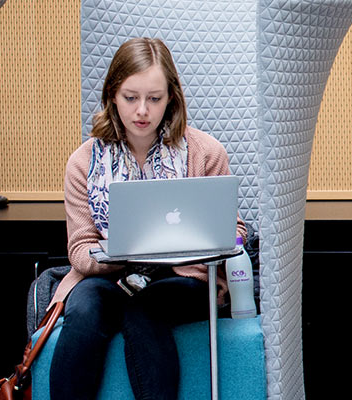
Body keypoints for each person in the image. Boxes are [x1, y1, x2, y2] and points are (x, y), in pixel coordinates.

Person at [50, 37, 245, 400]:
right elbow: (79, 250)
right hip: (110, 278)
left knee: (145, 311)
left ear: (171, 97)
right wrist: (118, 253)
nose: (143, 110)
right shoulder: (82, 162)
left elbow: (234, 231)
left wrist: (193, 245)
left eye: (154, 99)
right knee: (85, 311)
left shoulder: (205, 152)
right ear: (111, 95)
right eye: (130, 97)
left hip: (182, 280)